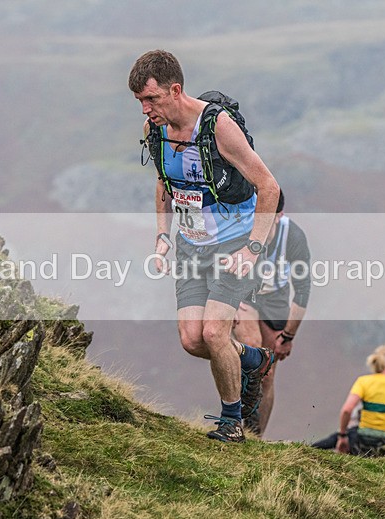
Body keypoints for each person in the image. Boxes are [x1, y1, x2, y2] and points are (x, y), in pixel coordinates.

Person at [129, 50, 281, 443]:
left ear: (174, 90)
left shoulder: (217, 127)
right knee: (192, 340)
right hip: (190, 246)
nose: (145, 109)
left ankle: (232, 423)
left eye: (151, 99)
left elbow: (269, 187)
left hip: (233, 244)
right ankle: (255, 359)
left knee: (214, 333)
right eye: (140, 101)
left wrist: (252, 248)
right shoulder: (155, 130)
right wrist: (162, 236)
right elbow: (164, 183)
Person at [232, 189, 311, 436]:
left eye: (267, 218)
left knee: (267, 372)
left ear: (279, 215)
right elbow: (217, 262)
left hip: (275, 298)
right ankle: (236, 421)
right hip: (244, 295)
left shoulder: (293, 236)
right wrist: (227, 302)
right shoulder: (241, 227)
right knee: (252, 351)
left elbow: (302, 289)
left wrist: (288, 336)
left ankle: (255, 436)